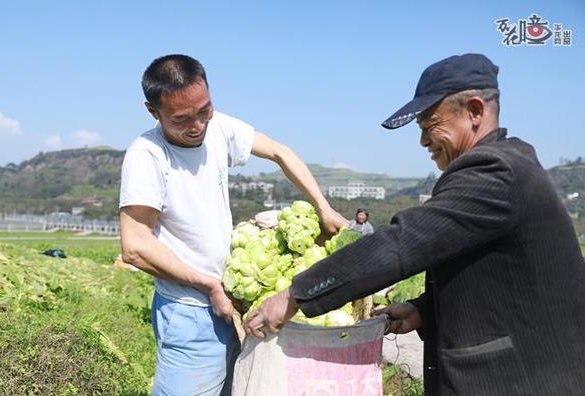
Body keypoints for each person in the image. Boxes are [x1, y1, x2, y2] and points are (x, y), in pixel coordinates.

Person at [245, 53, 585, 395]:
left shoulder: (494, 173)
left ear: (475, 111)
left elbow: (400, 243)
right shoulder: (508, 165)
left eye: (430, 126)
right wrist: (424, 311)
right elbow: (499, 280)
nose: (423, 142)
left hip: (521, 381)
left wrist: (294, 296)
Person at [118, 54, 347, 396]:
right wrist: (208, 285)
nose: (197, 125)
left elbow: (280, 152)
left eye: (204, 110)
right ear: (154, 112)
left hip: (231, 306)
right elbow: (135, 246)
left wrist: (323, 207)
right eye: (181, 119)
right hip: (190, 313)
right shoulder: (147, 156)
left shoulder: (218, 127)